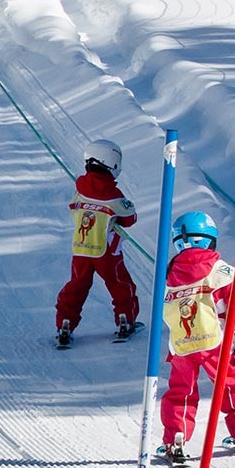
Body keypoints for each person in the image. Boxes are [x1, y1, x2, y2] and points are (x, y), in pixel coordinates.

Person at [161, 211, 235, 464]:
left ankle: (176, 436)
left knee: (181, 392)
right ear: (210, 240)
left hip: (182, 345)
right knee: (233, 386)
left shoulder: (169, 273)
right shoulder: (221, 271)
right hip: (214, 344)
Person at [55, 139, 141, 346]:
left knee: (77, 285)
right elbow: (130, 218)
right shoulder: (114, 195)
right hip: (106, 252)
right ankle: (125, 320)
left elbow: (73, 206)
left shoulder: (80, 189)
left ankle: (65, 322)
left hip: (81, 249)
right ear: (113, 164)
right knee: (120, 284)